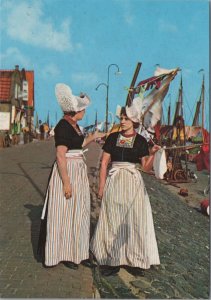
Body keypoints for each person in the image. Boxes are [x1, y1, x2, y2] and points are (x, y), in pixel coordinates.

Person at [90, 98, 161, 276]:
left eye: (125, 119)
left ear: (134, 122)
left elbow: (145, 167)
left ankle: (135, 260)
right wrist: (101, 187)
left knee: (134, 221)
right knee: (112, 219)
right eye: (121, 118)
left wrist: (152, 154)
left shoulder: (141, 141)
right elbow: (104, 163)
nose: (122, 121)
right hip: (114, 181)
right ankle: (111, 260)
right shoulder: (113, 138)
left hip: (133, 183)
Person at [38, 83, 105, 269]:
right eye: (83, 110)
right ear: (77, 111)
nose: (85, 113)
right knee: (65, 213)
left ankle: (79, 252)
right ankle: (64, 253)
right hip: (67, 171)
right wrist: (66, 183)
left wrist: (93, 136)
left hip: (78, 170)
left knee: (80, 211)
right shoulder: (63, 127)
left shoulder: (74, 126)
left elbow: (79, 143)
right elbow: (61, 155)